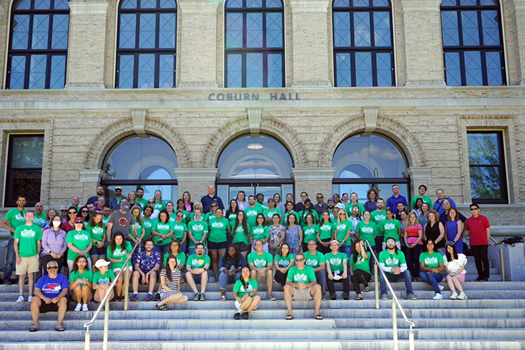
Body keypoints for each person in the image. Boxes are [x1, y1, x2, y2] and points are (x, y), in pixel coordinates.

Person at [29, 260, 69, 332]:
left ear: (57, 268)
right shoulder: (42, 279)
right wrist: (44, 298)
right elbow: (36, 291)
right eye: (50, 268)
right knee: (34, 299)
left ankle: (59, 324)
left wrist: (58, 297)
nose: (52, 269)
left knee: (63, 299)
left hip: (57, 302)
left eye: (54, 267)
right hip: (44, 302)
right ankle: (35, 324)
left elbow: (65, 290)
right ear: (47, 269)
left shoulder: (62, 278)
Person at [283, 252, 323, 320]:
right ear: (295, 261)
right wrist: (297, 285)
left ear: (304, 260)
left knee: (318, 287)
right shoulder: (292, 269)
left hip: (307, 291)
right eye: (297, 260)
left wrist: (306, 285)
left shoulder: (309, 269)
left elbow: (314, 282)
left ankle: (317, 312)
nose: (299, 262)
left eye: (301, 260)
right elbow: (288, 282)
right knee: (286, 287)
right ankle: (290, 313)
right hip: (295, 291)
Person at [14, 211, 41, 303]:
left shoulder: (37, 228)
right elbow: (16, 243)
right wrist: (17, 255)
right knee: (21, 276)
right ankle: (21, 295)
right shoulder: (19, 228)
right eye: (28, 215)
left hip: (33, 255)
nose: (29, 217)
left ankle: (30, 295)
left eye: (31, 215)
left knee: (31, 276)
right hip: (22, 256)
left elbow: (38, 243)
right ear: (25, 217)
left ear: (34, 217)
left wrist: (37, 254)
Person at [465, 203, 490, 281]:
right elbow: (469, 232)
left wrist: (487, 240)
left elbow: (488, 230)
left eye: (475, 209)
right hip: (474, 243)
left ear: (479, 209)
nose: (473, 210)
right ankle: (480, 275)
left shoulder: (484, 218)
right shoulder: (468, 221)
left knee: (484, 259)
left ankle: (486, 276)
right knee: (477, 260)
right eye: (472, 209)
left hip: (483, 243)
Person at [107, 232, 132, 301]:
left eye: (120, 239)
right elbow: (109, 258)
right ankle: (118, 295)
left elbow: (130, 253)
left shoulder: (127, 244)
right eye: (117, 239)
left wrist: (129, 255)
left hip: (126, 264)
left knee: (126, 279)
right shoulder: (110, 246)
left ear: (123, 239)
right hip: (116, 265)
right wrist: (115, 260)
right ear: (114, 239)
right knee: (119, 279)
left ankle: (124, 296)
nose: (119, 241)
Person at [208, 208, 231, 281]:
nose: (218, 213)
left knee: (222, 259)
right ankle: (216, 276)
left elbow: (229, 230)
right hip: (212, 241)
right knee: (214, 259)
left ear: (222, 213)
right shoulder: (211, 220)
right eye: (217, 212)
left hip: (222, 241)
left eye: (220, 212)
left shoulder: (226, 220)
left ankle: (221, 275)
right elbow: (208, 230)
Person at [404, 212, 423, 281]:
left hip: (417, 243)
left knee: (416, 259)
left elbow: (420, 236)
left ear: (416, 218)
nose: (412, 218)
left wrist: (414, 244)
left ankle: (417, 275)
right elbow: (405, 236)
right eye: (411, 217)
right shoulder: (407, 225)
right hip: (408, 243)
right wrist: (406, 243)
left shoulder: (419, 225)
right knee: (408, 260)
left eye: (413, 217)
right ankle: (413, 274)